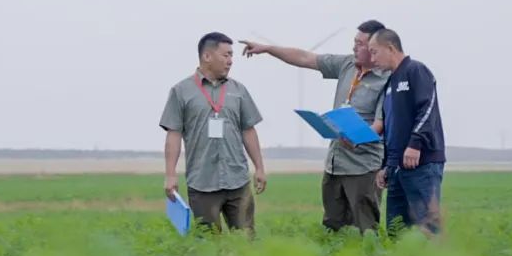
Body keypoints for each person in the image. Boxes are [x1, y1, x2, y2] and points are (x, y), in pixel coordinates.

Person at [240, 20, 389, 233]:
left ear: (376, 47)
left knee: (365, 229)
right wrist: (268, 49)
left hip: (363, 166)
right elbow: (306, 58)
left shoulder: (386, 80)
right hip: (335, 163)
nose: (354, 47)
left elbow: (380, 124)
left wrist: (358, 139)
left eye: (360, 44)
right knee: (332, 227)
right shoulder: (347, 65)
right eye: (354, 42)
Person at [159, 32, 267, 233]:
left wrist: (259, 167)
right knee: (208, 245)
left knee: (246, 241)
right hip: (202, 183)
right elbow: (173, 135)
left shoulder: (238, 90)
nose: (231, 61)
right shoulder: (181, 91)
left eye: (231, 56)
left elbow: (248, 130)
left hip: (238, 181)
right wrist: (170, 175)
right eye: (226, 55)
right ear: (207, 56)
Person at [367, 28, 446, 236]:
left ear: (390, 48)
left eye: (374, 52)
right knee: (397, 232)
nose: (371, 58)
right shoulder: (390, 83)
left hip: (421, 165)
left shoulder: (416, 70)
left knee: (427, 229)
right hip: (396, 169)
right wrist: (386, 165)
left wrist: (415, 144)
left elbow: (427, 108)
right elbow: (391, 128)